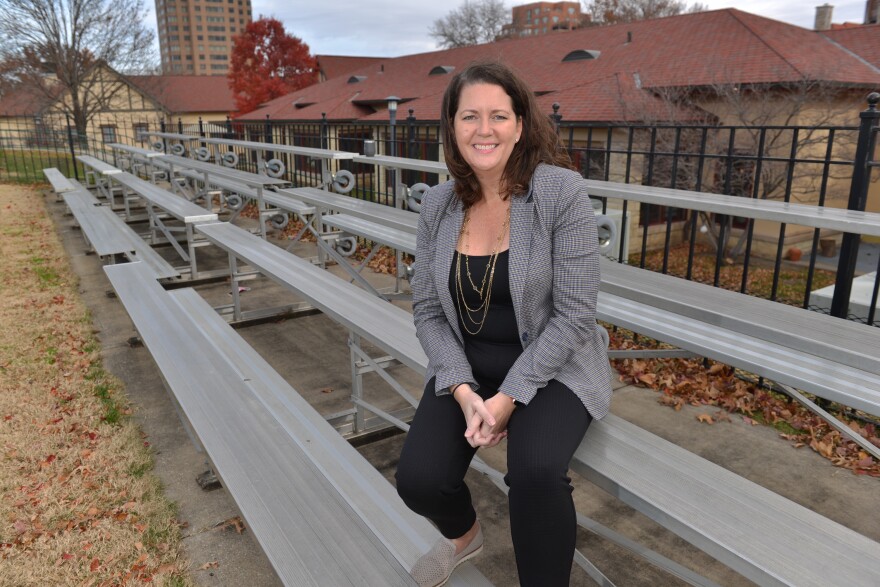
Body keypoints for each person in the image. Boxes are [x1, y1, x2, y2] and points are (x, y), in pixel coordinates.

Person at [395, 60, 613, 587]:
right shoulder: (440, 205)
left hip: (553, 362)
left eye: (498, 115)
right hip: (470, 365)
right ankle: (465, 536)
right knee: (418, 481)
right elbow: (426, 309)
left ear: (520, 124)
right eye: (470, 116)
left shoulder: (560, 193)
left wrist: (509, 397)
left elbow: (575, 315)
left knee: (535, 477)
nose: (484, 130)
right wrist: (464, 389)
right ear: (452, 126)